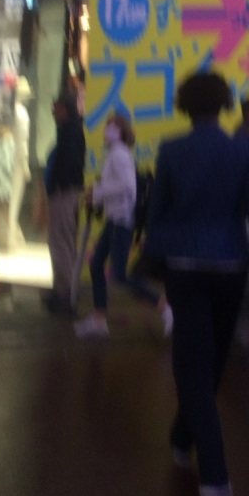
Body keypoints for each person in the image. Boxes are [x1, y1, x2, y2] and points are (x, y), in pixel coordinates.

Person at [145, 71, 249, 496]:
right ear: (223, 103)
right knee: (214, 359)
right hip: (231, 265)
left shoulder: (171, 149)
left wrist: (155, 265)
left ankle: (214, 471)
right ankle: (183, 438)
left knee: (192, 363)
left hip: (184, 266)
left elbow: (157, 215)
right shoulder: (242, 149)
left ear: (184, 104)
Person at [75, 113, 166, 338]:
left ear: (122, 131)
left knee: (120, 274)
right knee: (97, 265)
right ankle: (99, 318)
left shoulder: (119, 155)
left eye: (113, 126)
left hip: (121, 220)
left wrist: (97, 193)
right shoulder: (117, 154)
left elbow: (128, 187)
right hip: (115, 219)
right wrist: (98, 193)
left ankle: (162, 304)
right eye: (107, 125)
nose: (108, 129)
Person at [45, 91, 85, 313]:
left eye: (56, 107)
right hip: (64, 192)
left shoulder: (70, 132)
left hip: (64, 193)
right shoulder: (69, 131)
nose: (53, 111)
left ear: (65, 109)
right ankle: (62, 289)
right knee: (61, 241)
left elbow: (68, 164)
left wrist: (57, 186)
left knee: (61, 242)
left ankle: (65, 293)